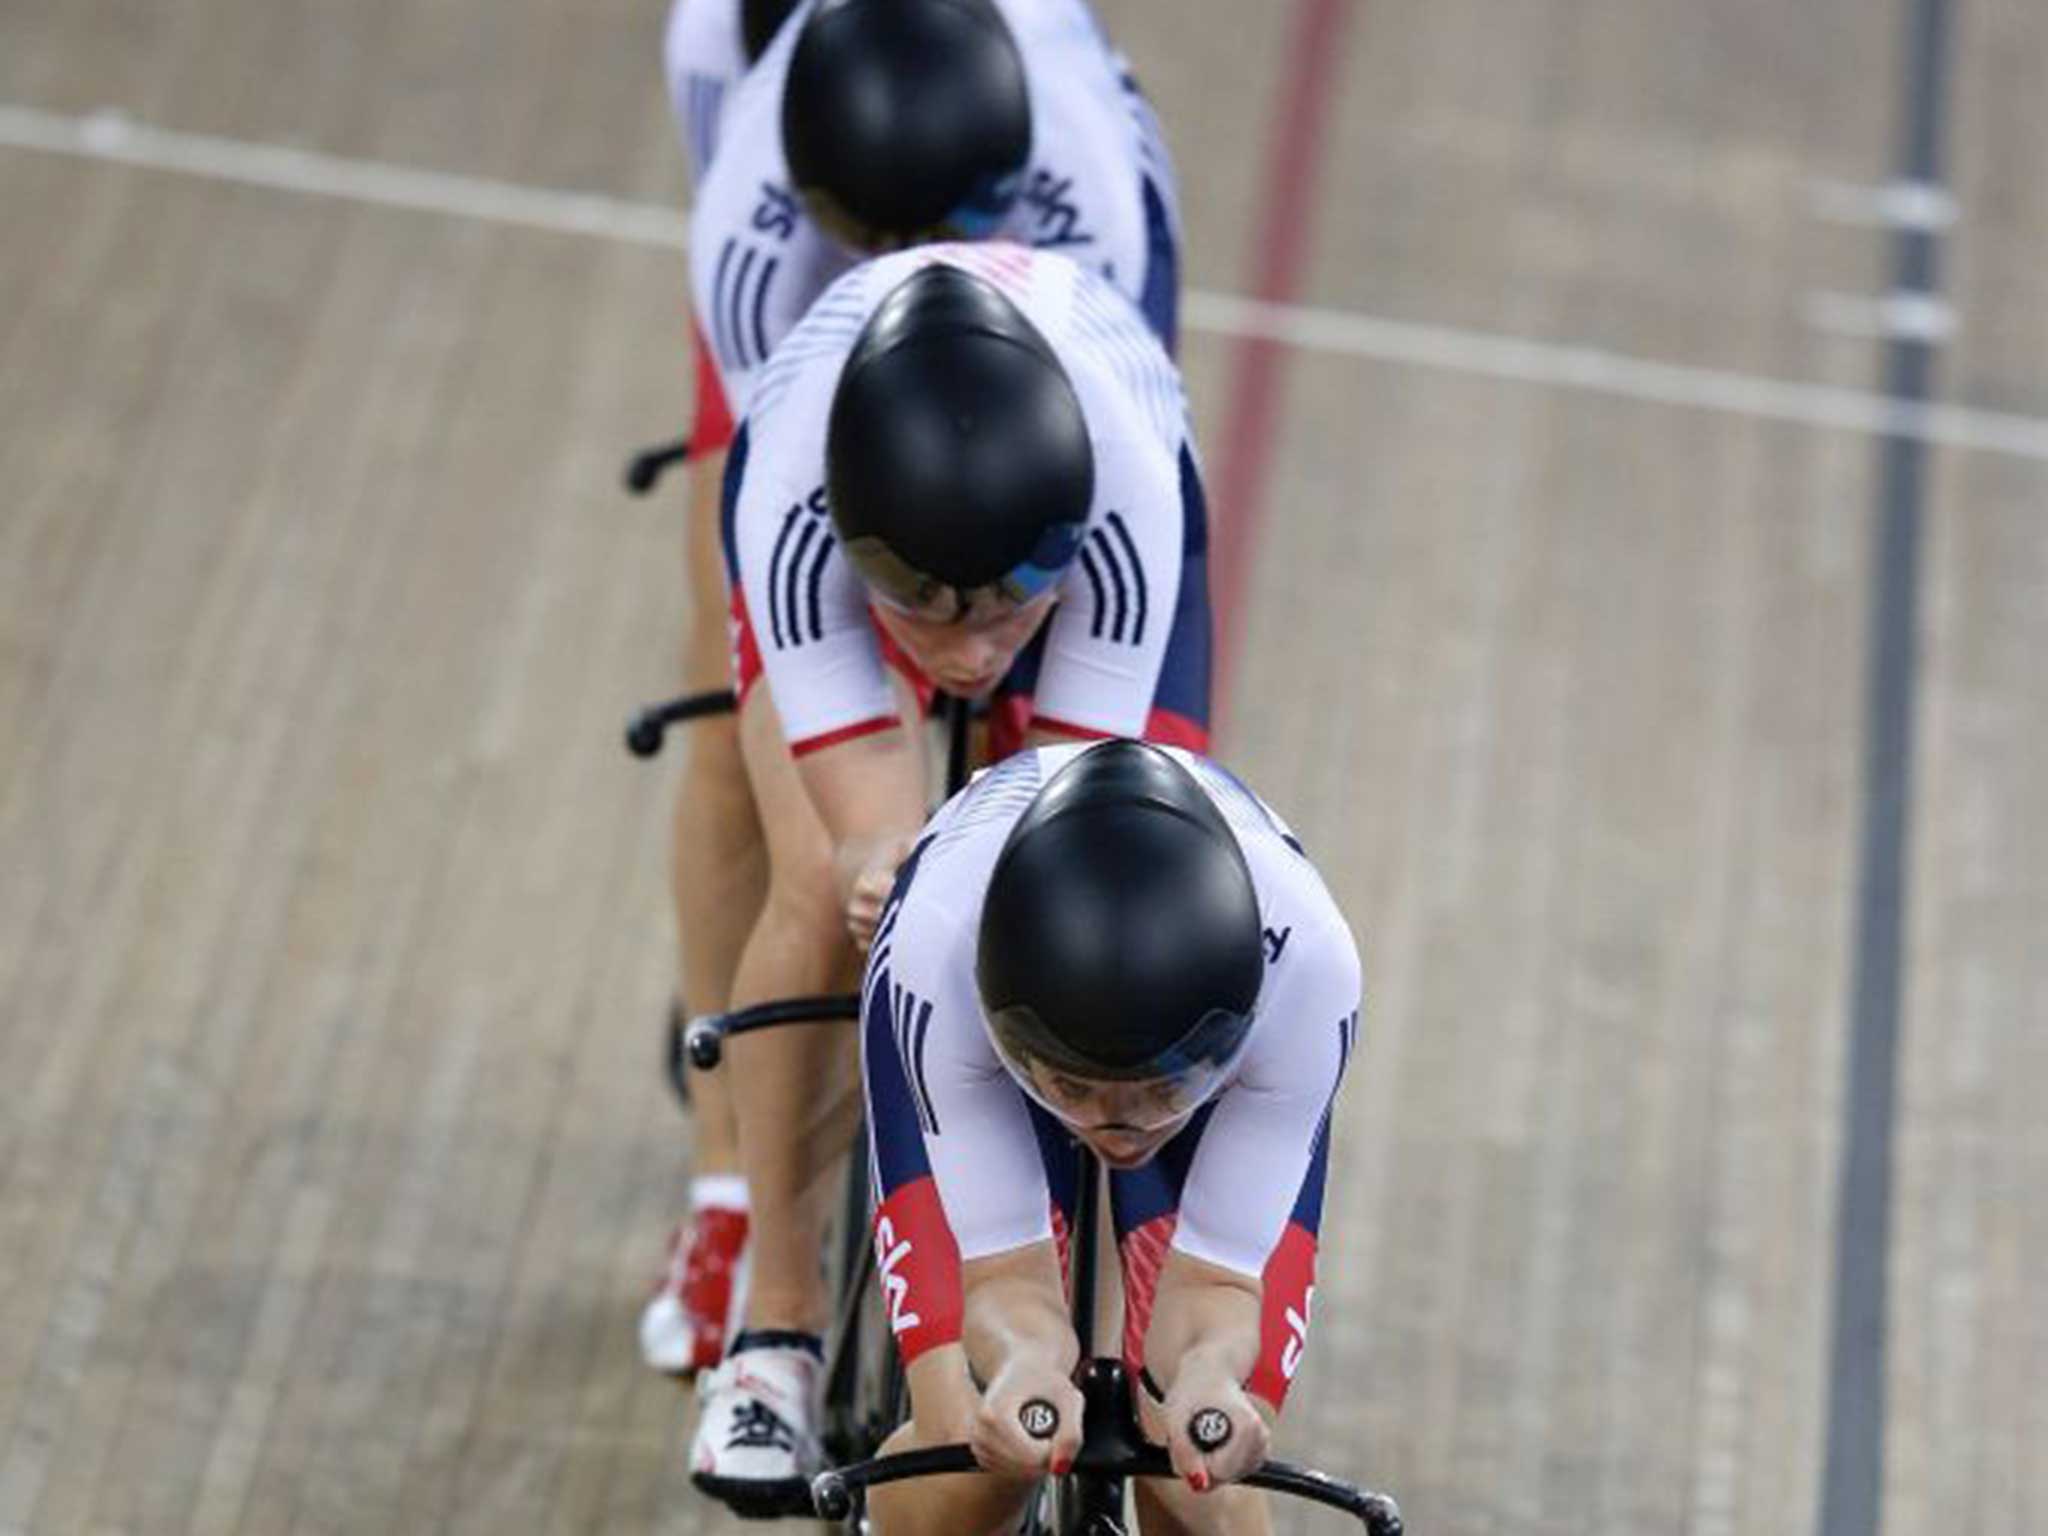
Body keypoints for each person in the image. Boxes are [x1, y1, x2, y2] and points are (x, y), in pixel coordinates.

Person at [644, 0, 1182, 1379]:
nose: (918, 267)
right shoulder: (753, 184)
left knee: (1097, 851)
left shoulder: (1085, 185)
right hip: (823, 382)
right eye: (888, 238)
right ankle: (732, 1203)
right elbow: (782, 489)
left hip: (1057, 346)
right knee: (760, 751)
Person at [688, 244, 1214, 1512]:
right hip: (842, 531)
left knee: (1102, 933)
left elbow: (1067, 844)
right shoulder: (791, 501)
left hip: (1098, 542)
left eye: (1004, 614)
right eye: (933, 616)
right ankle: (780, 1327)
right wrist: (890, 868)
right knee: (828, 885)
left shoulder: (1125, 496)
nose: (974, 653)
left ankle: (1106, 1331)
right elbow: (875, 844)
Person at [861, 739, 1363, 1535]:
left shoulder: (1312, 976)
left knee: (1204, 1483)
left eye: (1161, 1089)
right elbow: (1004, 1278)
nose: (1116, 1127)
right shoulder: (941, 952)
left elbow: (1215, 1288)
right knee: (969, 1448)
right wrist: (1024, 1364)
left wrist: (1204, 1378)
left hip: (1141, 1048)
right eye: (1074, 1089)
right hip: (972, 1032)